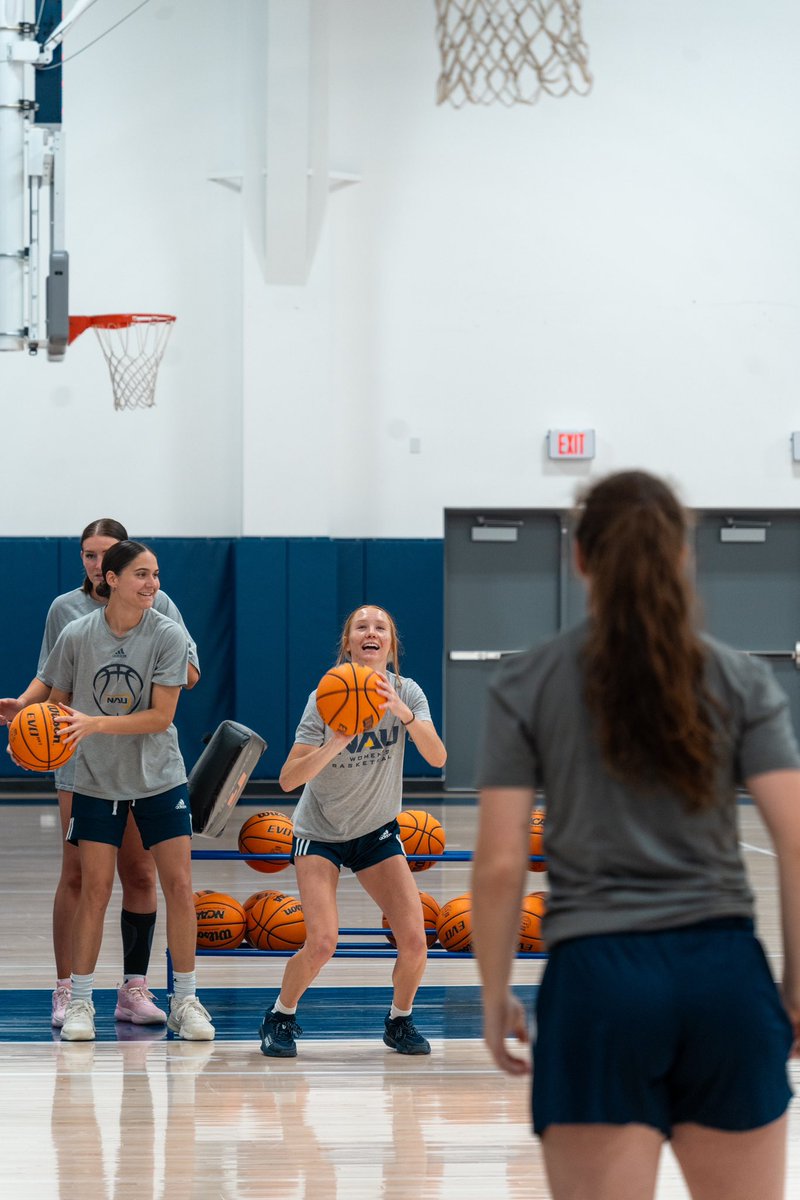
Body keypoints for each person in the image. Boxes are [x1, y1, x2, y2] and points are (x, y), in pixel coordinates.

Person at [472, 470, 800, 1200]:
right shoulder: (743, 679)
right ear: (682, 556)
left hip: (596, 988)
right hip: (725, 977)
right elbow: (798, 839)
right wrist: (798, 989)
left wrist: (495, 994)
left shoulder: (526, 683)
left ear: (579, 558)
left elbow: (498, 865)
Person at [0, 518, 199, 1029]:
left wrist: (163, 659)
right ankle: (69, 990)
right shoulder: (67, 615)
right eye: (88, 554)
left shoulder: (161, 611)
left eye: (105, 554)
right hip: (83, 760)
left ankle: (137, 988)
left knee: (142, 874)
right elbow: (53, 685)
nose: (95, 563)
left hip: (145, 762)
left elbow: (184, 681)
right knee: (83, 877)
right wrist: (24, 715)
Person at [41, 539, 214, 1042]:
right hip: (95, 781)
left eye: (156, 575)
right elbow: (57, 705)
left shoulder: (168, 634)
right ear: (111, 579)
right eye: (141, 574)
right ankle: (80, 1003)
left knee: (178, 887)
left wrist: (93, 724)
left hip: (160, 777)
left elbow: (161, 717)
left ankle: (185, 1000)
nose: (152, 584)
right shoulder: (75, 634)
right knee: (94, 890)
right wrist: (35, 740)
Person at [259, 604, 447, 1058]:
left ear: (390, 644)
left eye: (380, 627)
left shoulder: (409, 692)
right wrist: (336, 741)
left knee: (416, 941)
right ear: (348, 644)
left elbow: (437, 757)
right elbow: (288, 779)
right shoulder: (324, 696)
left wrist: (403, 712)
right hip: (319, 831)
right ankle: (280, 1015)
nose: (371, 632)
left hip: (376, 831)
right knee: (323, 941)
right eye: (361, 627)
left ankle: (398, 1021)